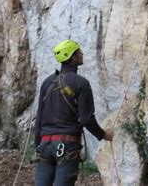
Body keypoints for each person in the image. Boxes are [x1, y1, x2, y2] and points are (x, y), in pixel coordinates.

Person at [34, 40, 113, 186]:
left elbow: (39, 118)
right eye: (78, 52)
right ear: (73, 57)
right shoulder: (81, 83)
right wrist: (103, 135)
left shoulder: (47, 82)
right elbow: (86, 119)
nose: (82, 54)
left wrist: (37, 146)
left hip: (45, 144)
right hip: (67, 145)